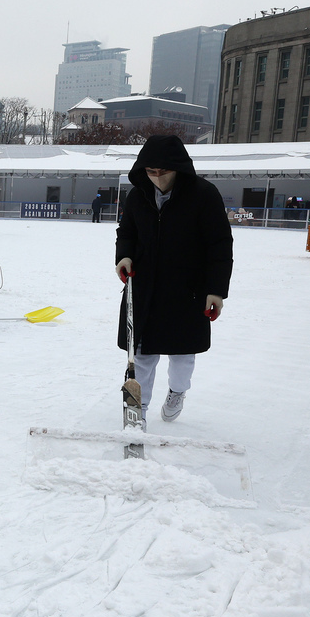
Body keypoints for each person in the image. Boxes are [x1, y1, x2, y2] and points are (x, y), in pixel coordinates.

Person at [114, 135, 233, 426]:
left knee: (182, 357)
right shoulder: (137, 195)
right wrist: (124, 256)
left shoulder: (204, 194)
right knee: (141, 355)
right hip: (144, 288)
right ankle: (136, 410)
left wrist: (216, 290)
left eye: (163, 172)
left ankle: (177, 392)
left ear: (178, 168)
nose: (157, 179)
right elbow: (126, 232)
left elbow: (220, 244)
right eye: (151, 172)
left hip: (188, 290)